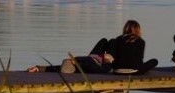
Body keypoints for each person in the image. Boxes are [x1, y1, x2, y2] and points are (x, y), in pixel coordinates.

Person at [27, 20, 158, 75]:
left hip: (112, 66)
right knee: (154, 61)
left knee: (107, 40)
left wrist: (41, 68)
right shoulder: (141, 41)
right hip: (121, 68)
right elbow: (138, 61)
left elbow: (119, 57)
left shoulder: (118, 39)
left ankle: (103, 54)